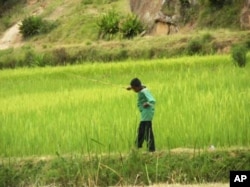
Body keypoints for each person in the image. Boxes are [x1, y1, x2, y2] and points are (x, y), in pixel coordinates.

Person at [127, 78, 156, 152]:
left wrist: (147, 103)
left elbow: (152, 100)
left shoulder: (144, 91)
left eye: (134, 89)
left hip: (147, 112)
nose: (134, 91)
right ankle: (141, 146)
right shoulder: (141, 88)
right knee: (143, 129)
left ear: (137, 87)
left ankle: (147, 148)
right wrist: (131, 87)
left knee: (145, 130)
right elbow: (142, 85)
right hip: (145, 112)